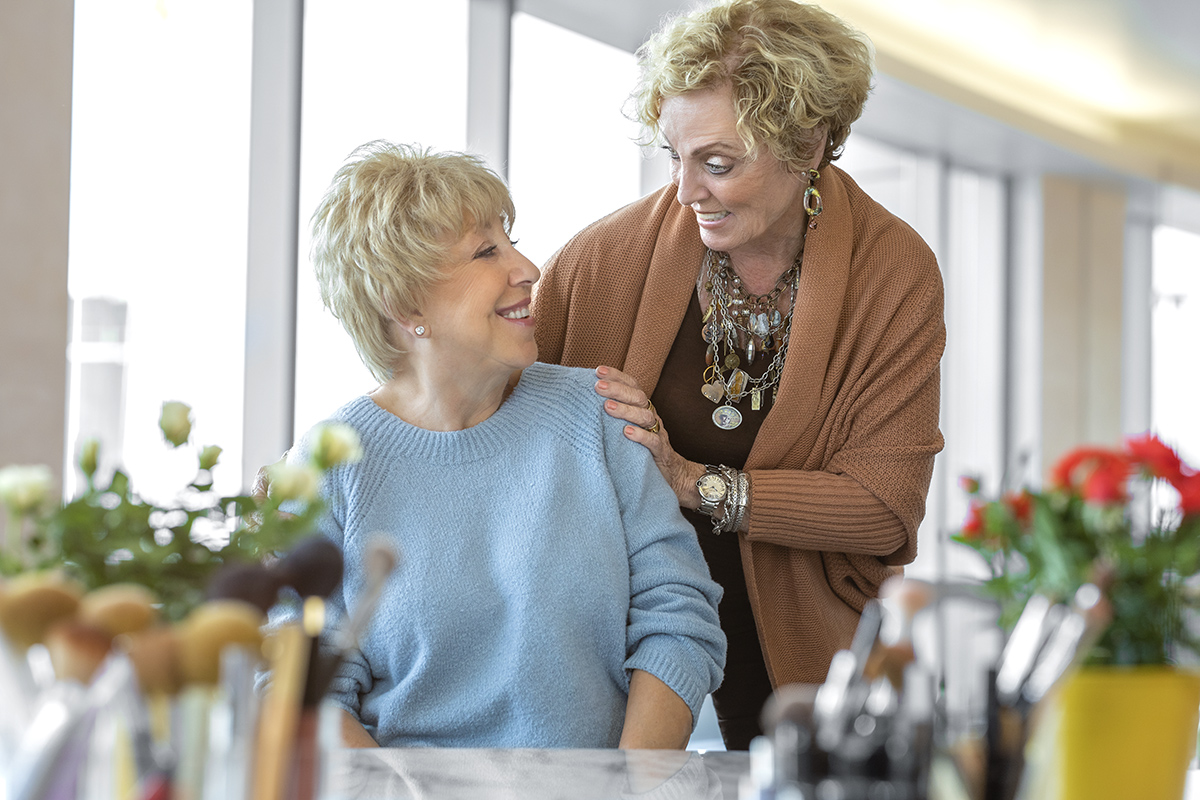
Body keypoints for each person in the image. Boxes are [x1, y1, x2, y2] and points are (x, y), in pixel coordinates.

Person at [533, 0, 945, 749]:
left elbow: (884, 508)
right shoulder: (599, 262)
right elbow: (479, 408)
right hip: (624, 669)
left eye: (718, 163)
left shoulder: (893, 271)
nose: (687, 190)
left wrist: (690, 481)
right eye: (674, 156)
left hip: (811, 671)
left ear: (810, 142)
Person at [286, 141, 726, 750]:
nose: (528, 268)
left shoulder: (597, 412)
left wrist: (627, 789)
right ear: (404, 302)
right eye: (486, 251)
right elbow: (301, 684)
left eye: (511, 239)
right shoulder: (329, 465)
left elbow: (678, 619)